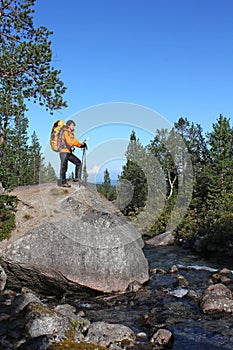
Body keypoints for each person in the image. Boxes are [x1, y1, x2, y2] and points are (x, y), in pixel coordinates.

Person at [59, 120, 86, 187]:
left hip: (68, 152)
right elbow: (69, 142)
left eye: (73, 125)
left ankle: (77, 178)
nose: (73, 126)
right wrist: (79, 144)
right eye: (72, 125)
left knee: (78, 162)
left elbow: (75, 141)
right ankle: (63, 182)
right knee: (64, 167)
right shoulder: (65, 132)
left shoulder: (71, 133)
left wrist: (81, 145)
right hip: (63, 152)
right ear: (68, 125)